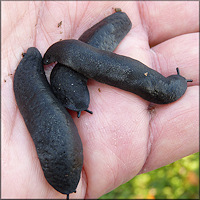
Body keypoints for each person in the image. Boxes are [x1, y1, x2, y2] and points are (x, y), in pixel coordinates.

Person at [2, 1, 199, 199]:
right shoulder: (60, 67)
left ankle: (167, 86)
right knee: (76, 72)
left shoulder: (66, 63)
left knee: (82, 70)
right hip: (64, 64)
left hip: (66, 62)